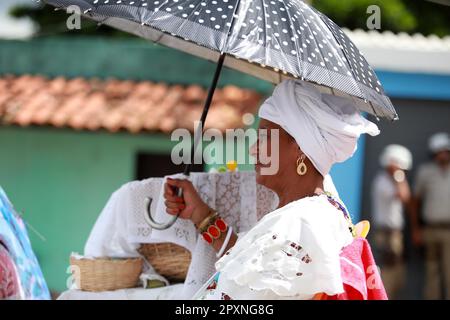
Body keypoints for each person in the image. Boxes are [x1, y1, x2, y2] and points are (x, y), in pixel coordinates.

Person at [163, 80, 385, 300]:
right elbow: (253, 269)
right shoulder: (317, 212)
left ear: (300, 147)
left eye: (265, 136)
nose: (253, 150)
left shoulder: (298, 222)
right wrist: (201, 216)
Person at [411, 132, 450, 299]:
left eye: (446, 150)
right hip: (430, 230)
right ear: (434, 152)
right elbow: (415, 202)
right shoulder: (425, 172)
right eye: (441, 150)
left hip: (449, 231)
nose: (444, 153)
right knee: (431, 274)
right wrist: (416, 229)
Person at [371, 144, 412, 299]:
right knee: (388, 270)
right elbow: (404, 195)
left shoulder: (390, 180)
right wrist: (399, 175)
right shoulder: (383, 181)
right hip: (386, 234)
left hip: (395, 233)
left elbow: (406, 197)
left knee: (397, 273)